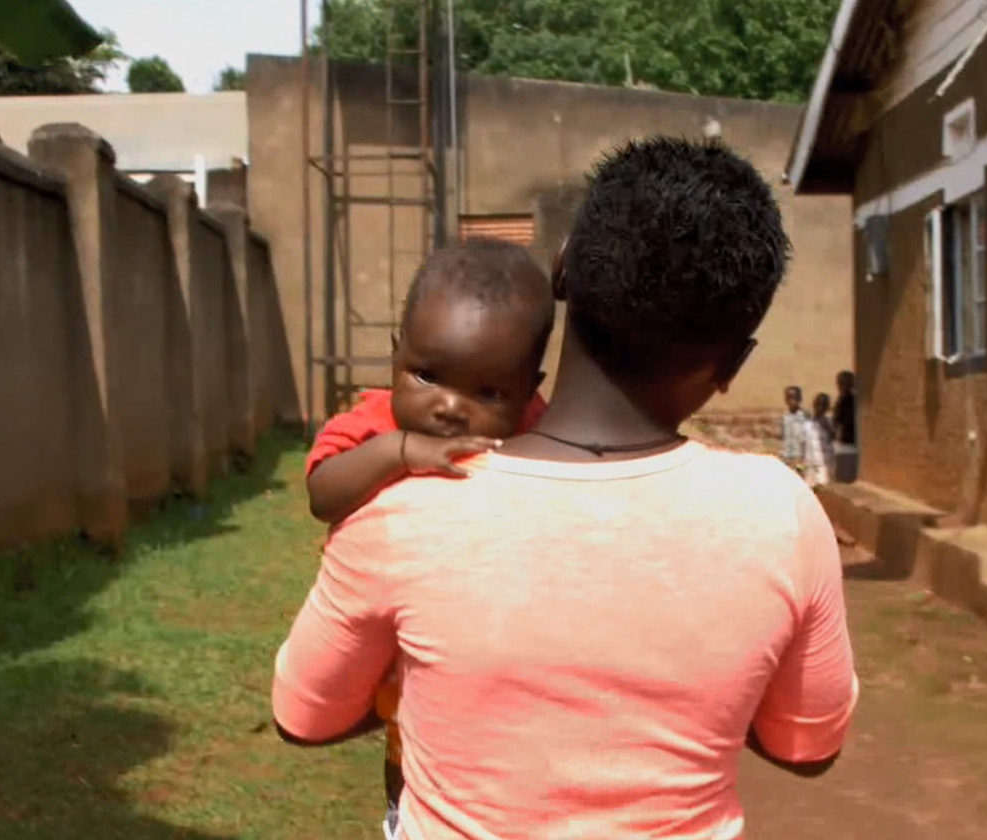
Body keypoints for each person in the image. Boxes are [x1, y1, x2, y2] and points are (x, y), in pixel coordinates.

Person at [273, 136, 857, 839]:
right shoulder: (782, 515)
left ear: (562, 269)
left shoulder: (408, 501)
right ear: (731, 364)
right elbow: (806, 746)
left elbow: (304, 719)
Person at [302, 238, 557, 837]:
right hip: (394, 639)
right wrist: (398, 452)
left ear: (529, 390)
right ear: (395, 354)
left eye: (487, 392)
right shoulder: (376, 423)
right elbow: (322, 493)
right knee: (409, 753)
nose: (448, 408)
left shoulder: (536, 434)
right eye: (426, 375)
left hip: (496, 645)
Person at [780, 386, 829, 486]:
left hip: (801, 456)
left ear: (800, 399)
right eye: (790, 398)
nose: (792, 401)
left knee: (802, 481)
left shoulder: (805, 415)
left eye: (795, 398)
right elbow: (784, 436)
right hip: (788, 455)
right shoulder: (785, 417)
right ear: (786, 400)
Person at [832, 370, 858, 483]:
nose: (841, 386)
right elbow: (836, 420)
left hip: (853, 440)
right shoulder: (842, 400)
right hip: (845, 440)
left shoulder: (854, 400)